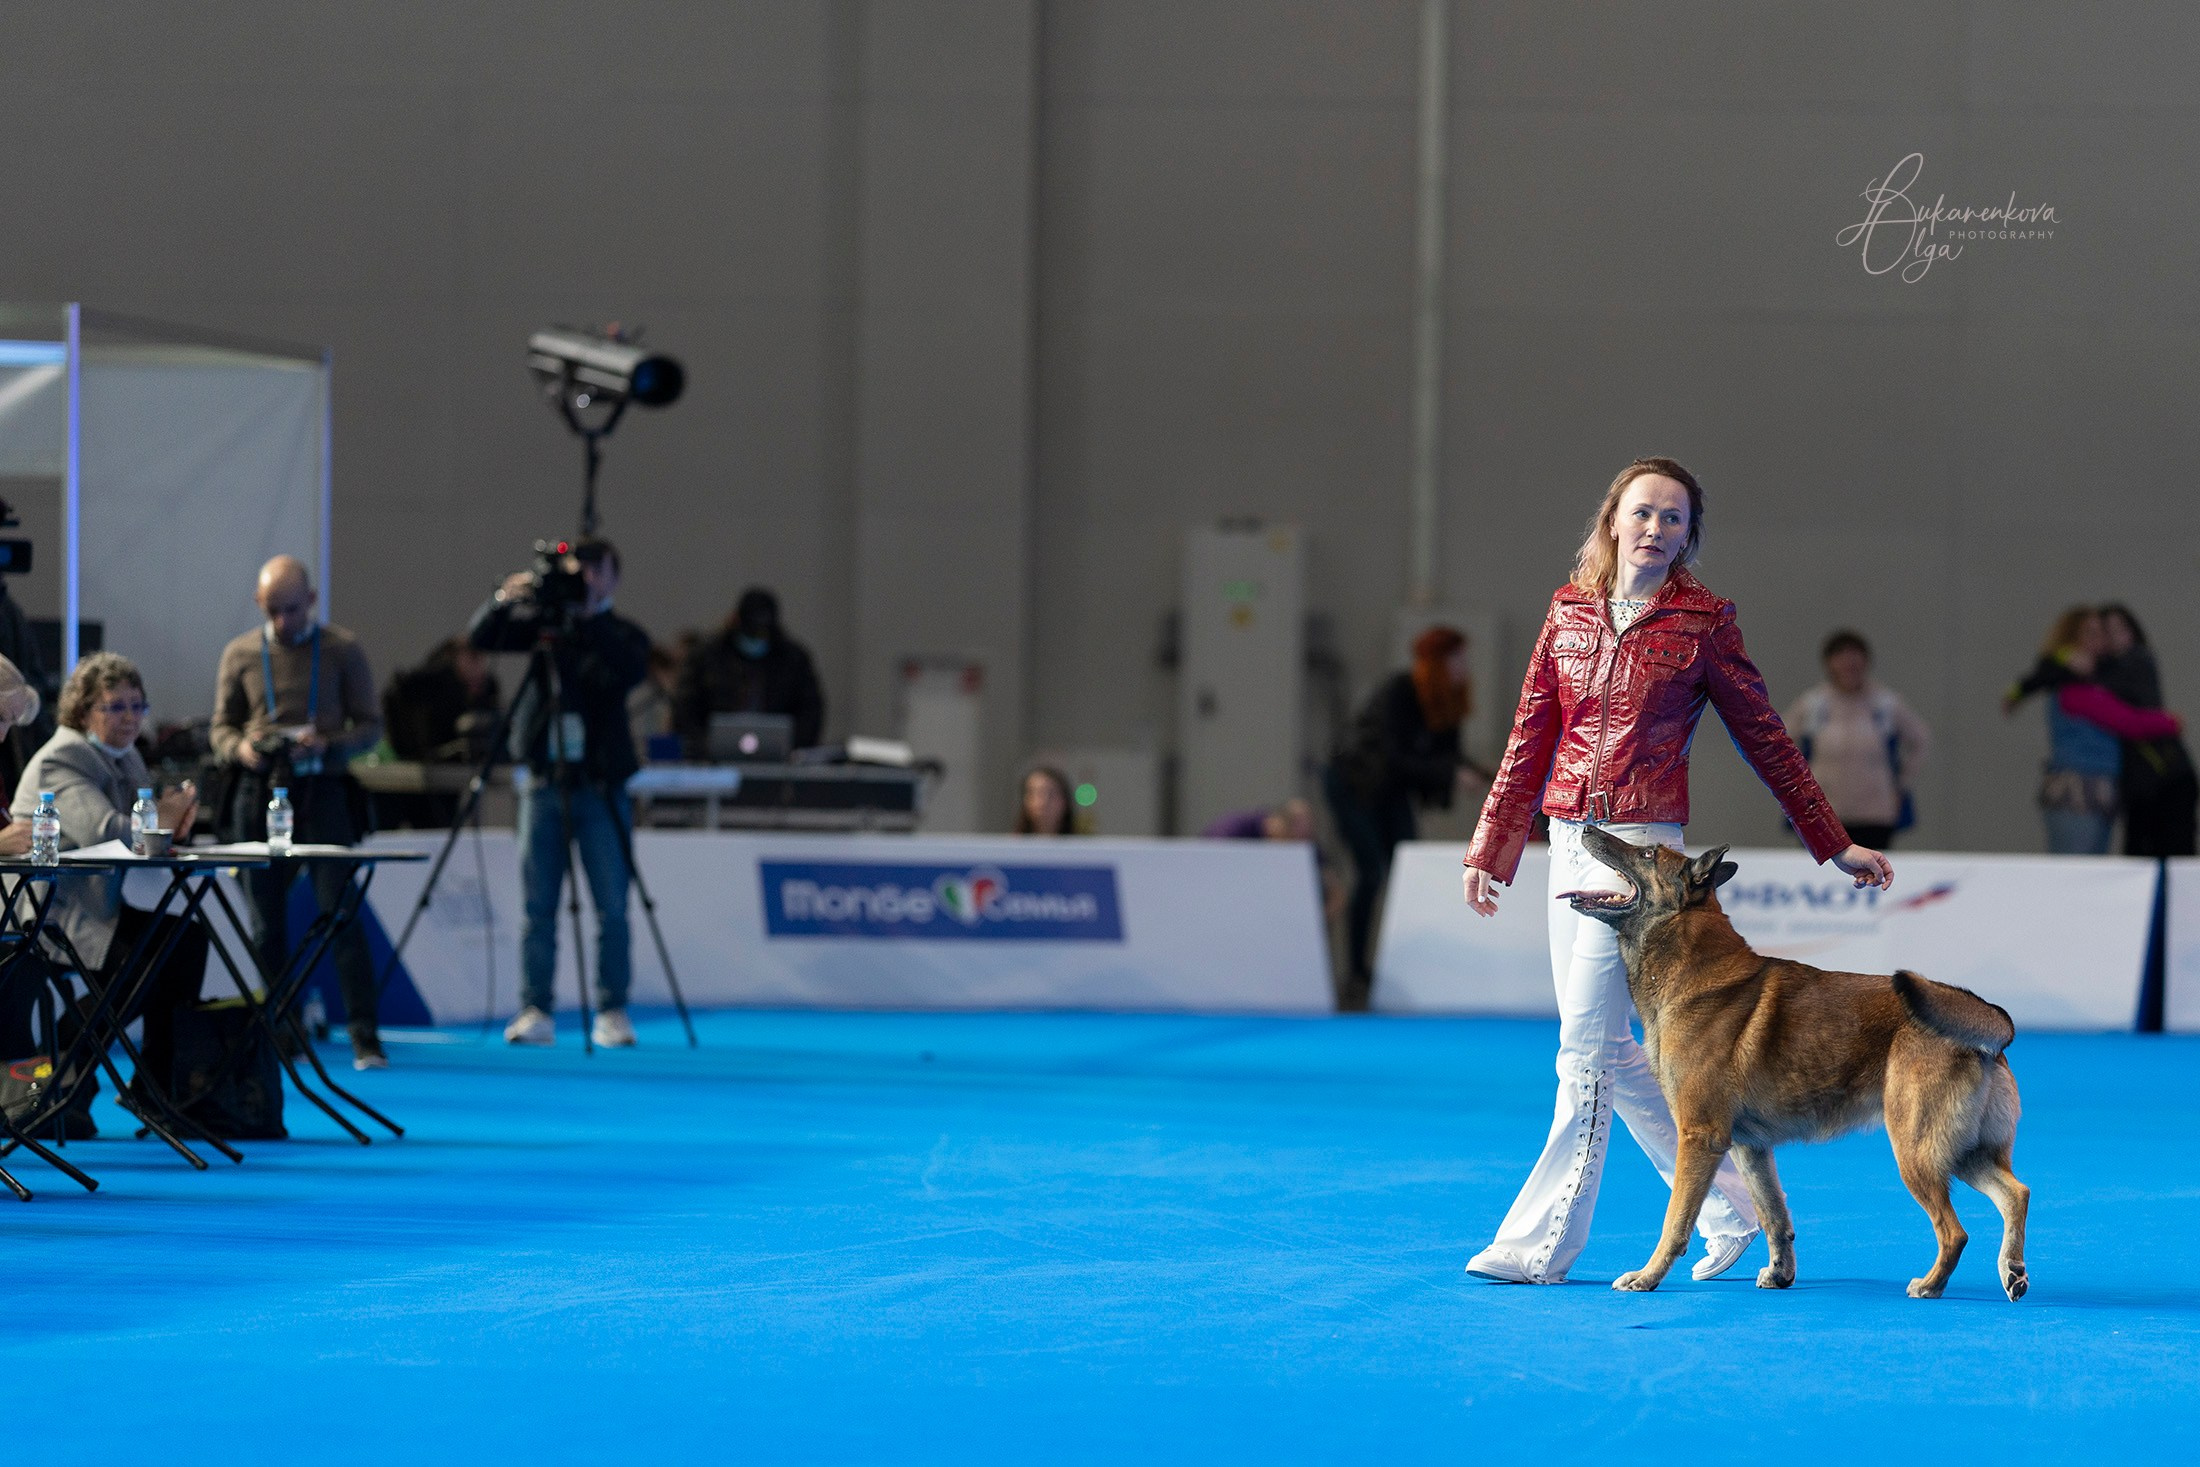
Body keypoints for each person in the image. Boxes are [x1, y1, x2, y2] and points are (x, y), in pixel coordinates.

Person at [1460, 457, 1893, 1287]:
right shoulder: (1567, 611)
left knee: (1584, 1049)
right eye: (1643, 512)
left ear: (1690, 535)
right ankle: (1731, 1213)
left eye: (1674, 518)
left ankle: (1539, 1245)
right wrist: (1493, 844)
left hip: (1642, 850)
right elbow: (1527, 736)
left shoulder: (1703, 624)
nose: (1655, 528)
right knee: (1614, 1050)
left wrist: (1831, 840)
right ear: (1612, 519)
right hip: (1567, 837)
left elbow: (1765, 735)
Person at [469, 537, 651, 1048]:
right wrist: (508, 597)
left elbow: (622, 673)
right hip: (545, 784)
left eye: (597, 571)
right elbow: (483, 635)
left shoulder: (621, 633)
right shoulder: (544, 631)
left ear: (613, 577)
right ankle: (535, 1008)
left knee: (612, 906)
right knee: (538, 907)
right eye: (578, 570)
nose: (585, 579)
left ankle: (612, 1008)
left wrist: (588, 616)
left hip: (600, 788)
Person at [9, 653, 204, 1119]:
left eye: (138, 706)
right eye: (116, 707)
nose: (131, 718)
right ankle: (60, 1074)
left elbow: (141, 834)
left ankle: (153, 1086)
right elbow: (106, 830)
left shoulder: (126, 754)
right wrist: (166, 815)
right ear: (83, 711)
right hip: (50, 910)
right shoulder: (64, 755)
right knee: (141, 960)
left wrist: (174, 821)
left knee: (185, 941)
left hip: (97, 905)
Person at [211, 556, 386, 1070]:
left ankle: (364, 1035)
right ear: (258, 605)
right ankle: (277, 1033)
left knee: (340, 913)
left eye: (292, 610)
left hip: (323, 792)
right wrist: (241, 748)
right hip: (258, 793)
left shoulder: (342, 650)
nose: (284, 622)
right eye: (273, 611)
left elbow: (372, 726)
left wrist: (327, 746)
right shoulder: (240, 652)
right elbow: (221, 728)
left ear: (311, 601)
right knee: (265, 923)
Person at [1322, 625, 1485, 1002]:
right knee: (1371, 871)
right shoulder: (1400, 690)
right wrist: (1450, 773)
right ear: (1438, 662)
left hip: (1389, 791)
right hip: (1354, 785)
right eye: (1457, 657)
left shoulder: (1447, 703)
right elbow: (1394, 757)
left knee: (1406, 870)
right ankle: (1358, 972)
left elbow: (1446, 756)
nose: (1465, 666)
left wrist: (1480, 773)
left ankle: (1399, 967)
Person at [2003, 607, 2181, 854]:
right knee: (2075, 872)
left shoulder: (2098, 680)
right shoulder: (2072, 688)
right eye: (2090, 633)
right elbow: (2128, 722)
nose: (2099, 640)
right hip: (2077, 791)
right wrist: (2169, 721)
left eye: (2101, 633)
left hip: (2099, 792)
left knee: (2091, 870)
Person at [1783, 630, 1931, 850]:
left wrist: (1900, 785)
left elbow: (1921, 740)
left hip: (1874, 814)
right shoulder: (1813, 704)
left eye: (1855, 657)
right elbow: (1779, 744)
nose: (1848, 664)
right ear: (1829, 663)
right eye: (1840, 656)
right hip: (1822, 814)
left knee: (1871, 877)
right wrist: (1797, 789)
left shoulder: (1885, 703)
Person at [673, 588, 825, 756]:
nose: (756, 640)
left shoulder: (793, 659)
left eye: (762, 634)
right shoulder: (707, 656)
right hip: (710, 758)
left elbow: (810, 709)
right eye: (751, 632)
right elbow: (685, 707)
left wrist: (794, 746)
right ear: (736, 621)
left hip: (781, 758)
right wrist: (702, 746)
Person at [2098, 604, 2196, 858]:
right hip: (2142, 782)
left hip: (2167, 776)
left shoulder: (2138, 660)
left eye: (2121, 629)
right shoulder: (2108, 670)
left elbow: (2143, 718)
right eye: (2107, 631)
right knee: (2141, 856)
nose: (2115, 637)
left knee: (2175, 854)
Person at [1201, 797, 1315, 842]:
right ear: (1278, 823)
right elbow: (1213, 852)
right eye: (1287, 838)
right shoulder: (1234, 827)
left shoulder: (1302, 843)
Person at [1012, 766, 1077, 836]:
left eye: (1052, 794)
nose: (1044, 801)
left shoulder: (1082, 844)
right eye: (1037, 793)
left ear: (1065, 800)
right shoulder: (1010, 845)